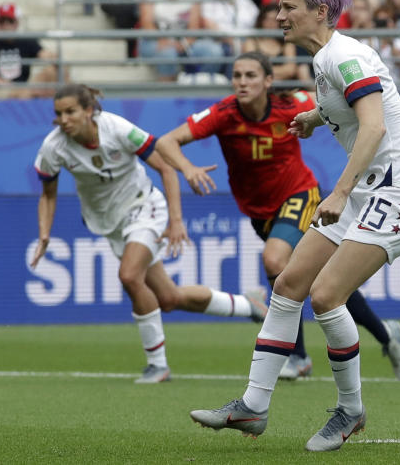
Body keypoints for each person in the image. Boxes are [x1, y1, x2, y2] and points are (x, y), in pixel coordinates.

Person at [188, 0, 400, 451]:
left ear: (320, 11)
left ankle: (350, 410)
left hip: (399, 192)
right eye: (279, 5)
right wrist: (313, 117)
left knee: (325, 297)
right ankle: (254, 405)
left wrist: (339, 191)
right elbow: (352, 107)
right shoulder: (326, 60)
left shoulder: (344, 58)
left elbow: (373, 127)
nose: (279, 15)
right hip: (370, 187)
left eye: (288, 7)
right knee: (288, 284)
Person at [156, 51, 400, 382]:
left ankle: (298, 356)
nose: (242, 82)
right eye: (237, 76)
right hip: (260, 212)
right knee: (320, 279)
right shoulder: (223, 114)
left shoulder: (290, 105)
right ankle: (386, 335)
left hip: (300, 195)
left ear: (267, 81)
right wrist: (187, 169)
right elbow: (166, 142)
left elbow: (339, 103)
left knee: (276, 261)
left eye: (250, 75)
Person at [30, 83, 268, 384]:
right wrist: (44, 235)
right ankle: (250, 304)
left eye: (70, 112)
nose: (64, 119)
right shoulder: (53, 147)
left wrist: (176, 221)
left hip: (145, 208)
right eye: (58, 114)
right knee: (168, 298)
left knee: (129, 276)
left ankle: (158, 366)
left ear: (89, 111)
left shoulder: (117, 128)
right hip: (111, 223)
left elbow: (166, 168)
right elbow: (48, 195)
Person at [138, 0, 225, 82]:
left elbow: (193, 28)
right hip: (154, 41)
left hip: (185, 41)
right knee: (168, 54)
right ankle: (168, 96)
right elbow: (147, 24)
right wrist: (167, 42)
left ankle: (197, 86)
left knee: (214, 52)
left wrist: (183, 43)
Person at [0, 2, 59, 99]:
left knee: (52, 71)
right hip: (0, 90)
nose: (6, 24)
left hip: (24, 89)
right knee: (24, 93)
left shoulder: (26, 40)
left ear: (17, 22)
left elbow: (46, 56)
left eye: (10, 20)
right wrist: (14, 88)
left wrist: (54, 61)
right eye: (2, 21)